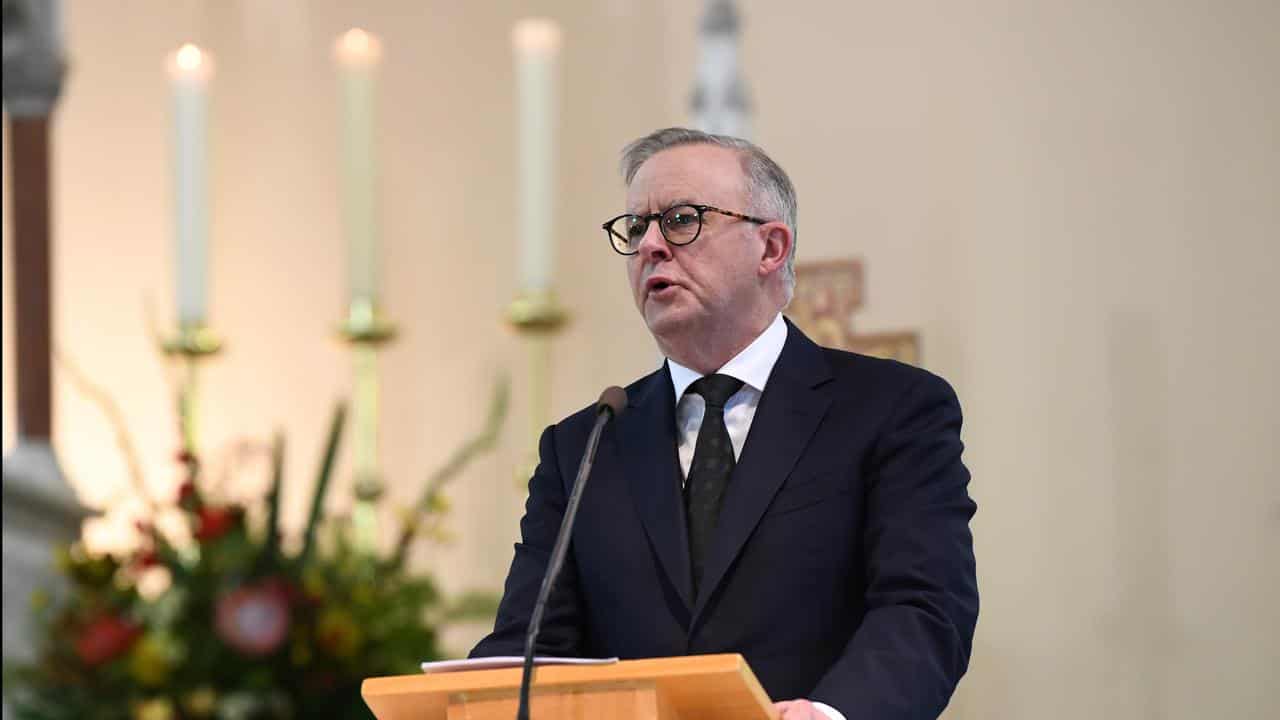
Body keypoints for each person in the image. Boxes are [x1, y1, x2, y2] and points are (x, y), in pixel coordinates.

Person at [471, 127, 978, 720]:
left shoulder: (891, 408)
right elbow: (532, 650)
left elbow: (923, 608)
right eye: (636, 228)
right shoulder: (585, 444)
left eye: (682, 219)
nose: (651, 247)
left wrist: (832, 713)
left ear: (771, 248)